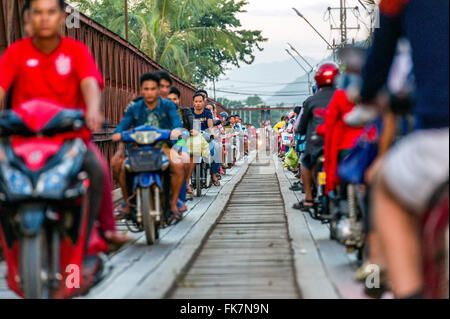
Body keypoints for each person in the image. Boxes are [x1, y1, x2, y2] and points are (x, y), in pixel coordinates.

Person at [0, 0, 129, 245]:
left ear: (62, 17)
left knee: (97, 166)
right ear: (28, 18)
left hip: (69, 138)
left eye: (51, 12)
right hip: (23, 139)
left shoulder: (76, 51)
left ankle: (105, 229)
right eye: (37, 13)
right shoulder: (16, 52)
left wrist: (93, 110)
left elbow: (89, 82)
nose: (44, 18)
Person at [356, 0, 449, 299]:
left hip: (433, 140)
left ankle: (401, 284)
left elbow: (375, 71)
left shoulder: (396, 5)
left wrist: (369, 97)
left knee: (382, 182)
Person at [111, 72, 185, 224]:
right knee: (123, 169)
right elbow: (123, 125)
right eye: (146, 89)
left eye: (153, 89)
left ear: (158, 90)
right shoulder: (134, 108)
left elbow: (177, 122)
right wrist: (118, 134)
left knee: (177, 166)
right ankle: (127, 205)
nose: (149, 92)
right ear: (141, 90)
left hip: (161, 147)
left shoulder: (168, 105)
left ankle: (172, 204)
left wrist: (176, 130)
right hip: (137, 148)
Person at [294, 62, 340, 211]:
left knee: (305, 163)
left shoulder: (310, 101)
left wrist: (302, 132)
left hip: (317, 144)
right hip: (339, 143)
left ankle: (308, 198)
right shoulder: (344, 96)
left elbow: (301, 127)